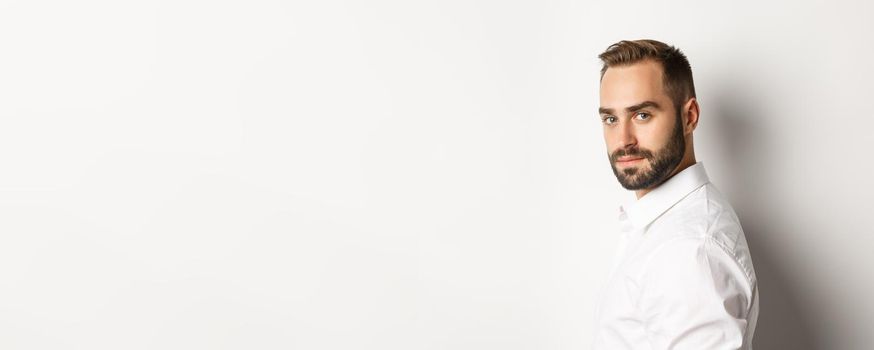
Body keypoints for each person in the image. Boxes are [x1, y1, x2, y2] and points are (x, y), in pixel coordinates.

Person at [592, 39, 759, 349]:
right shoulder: (665, 227)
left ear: (689, 116)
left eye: (642, 115)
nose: (623, 139)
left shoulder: (688, 249)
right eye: (611, 119)